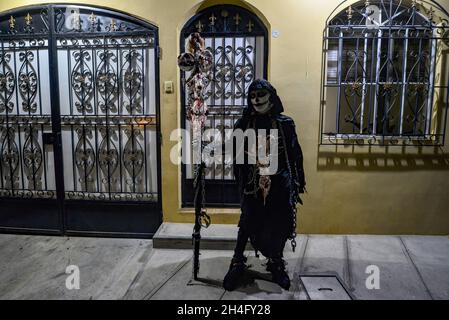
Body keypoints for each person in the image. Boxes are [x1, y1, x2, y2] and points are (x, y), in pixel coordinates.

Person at [222, 79, 306, 291]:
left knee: (279, 223)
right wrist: (244, 185)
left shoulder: (286, 124)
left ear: (271, 97)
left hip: (279, 183)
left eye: (260, 94)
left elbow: (295, 154)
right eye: (252, 96)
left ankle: (276, 262)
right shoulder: (242, 125)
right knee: (247, 220)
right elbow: (238, 159)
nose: (256, 99)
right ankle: (237, 261)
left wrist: (296, 182)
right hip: (252, 184)